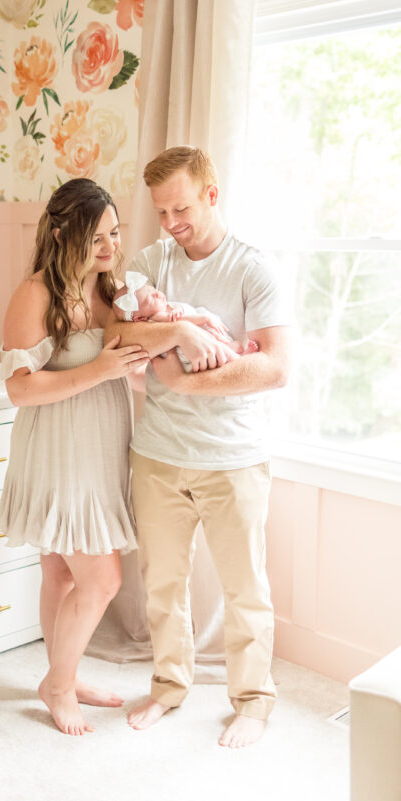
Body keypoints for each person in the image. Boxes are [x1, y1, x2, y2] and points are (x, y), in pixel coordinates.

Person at [105, 145, 290, 749]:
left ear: (212, 195)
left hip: (232, 458)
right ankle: (168, 684)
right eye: (161, 212)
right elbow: (116, 330)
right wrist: (180, 330)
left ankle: (253, 700)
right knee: (162, 583)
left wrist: (186, 381)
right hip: (157, 453)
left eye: (180, 208)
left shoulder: (252, 269)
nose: (170, 223)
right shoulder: (150, 261)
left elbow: (275, 368)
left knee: (245, 589)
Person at [0, 178, 147, 737]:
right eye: (97, 236)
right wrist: (101, 370)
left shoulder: (112, 290)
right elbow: (20, 390)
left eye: (115, 233)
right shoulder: (35, 294)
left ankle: (66, 671)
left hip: (101, 447)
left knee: (60, 569)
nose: (110, 247)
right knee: (101, 577)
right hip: (58, 448)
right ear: (63, 234)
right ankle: (57, 685)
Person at [112, 270, 259, 359]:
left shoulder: (160, 308)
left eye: (152, 290)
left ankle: (229, 347)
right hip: (193, 341)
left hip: (198, 331)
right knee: (215, 350)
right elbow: (180, 322)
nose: (157, 294)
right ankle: (236, 357)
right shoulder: (157, 317)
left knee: (216, 342)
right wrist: (203, 318)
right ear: (140, 318)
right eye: (151, 298)